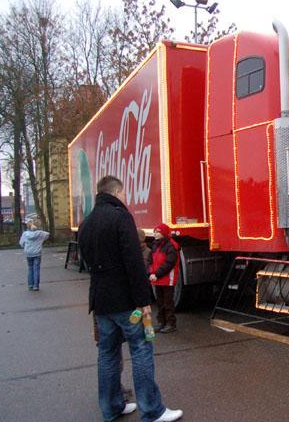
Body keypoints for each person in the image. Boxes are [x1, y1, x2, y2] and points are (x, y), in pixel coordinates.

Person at [78, 175, 182, 422]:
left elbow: (86, 261)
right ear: (116, 193)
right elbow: (134, 262)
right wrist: (144, 299)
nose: (125, 198)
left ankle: (112, 407)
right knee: (141, 350)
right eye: (123, 193)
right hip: (126, 300)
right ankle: (152, 410)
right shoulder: (120, 216)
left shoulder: (87, 223)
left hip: (101, 301)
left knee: (107, 354)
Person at [148, 223, 179, 333]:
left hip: (167, 279)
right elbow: (151, 261)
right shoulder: (156, 245)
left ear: (164, 233)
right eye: (155, 232)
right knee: (160, 302)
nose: (155, 234)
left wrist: (156, 274)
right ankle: (162, 322)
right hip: (158, 278)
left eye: (158, 232)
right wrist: (151, 272)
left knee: (168, 302)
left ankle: (171, 324)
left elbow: (169, 263)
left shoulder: (171, 246)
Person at [19, 221, 50, 291]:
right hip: (37, 253)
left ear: (28, 227)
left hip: (28, 253)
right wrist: (41, 235)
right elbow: (47, 234)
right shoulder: (40, 233)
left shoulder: (25, 234)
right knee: (36, 269)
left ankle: (30, 285)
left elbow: (21, 243)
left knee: (30, 268)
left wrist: (25, 246)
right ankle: (36, 286)